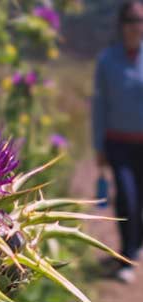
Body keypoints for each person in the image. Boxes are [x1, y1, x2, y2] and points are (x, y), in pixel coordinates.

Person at [92, 0, 143, 283]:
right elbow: (98, 106)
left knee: (140, 202)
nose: (136, 26)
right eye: (131, 20)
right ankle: (128, 258)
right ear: (122, 25)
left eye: (140, 20)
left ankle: (134, 242)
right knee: (126, 198)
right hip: (118, 144)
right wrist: (98, 146)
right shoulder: (107, 60)